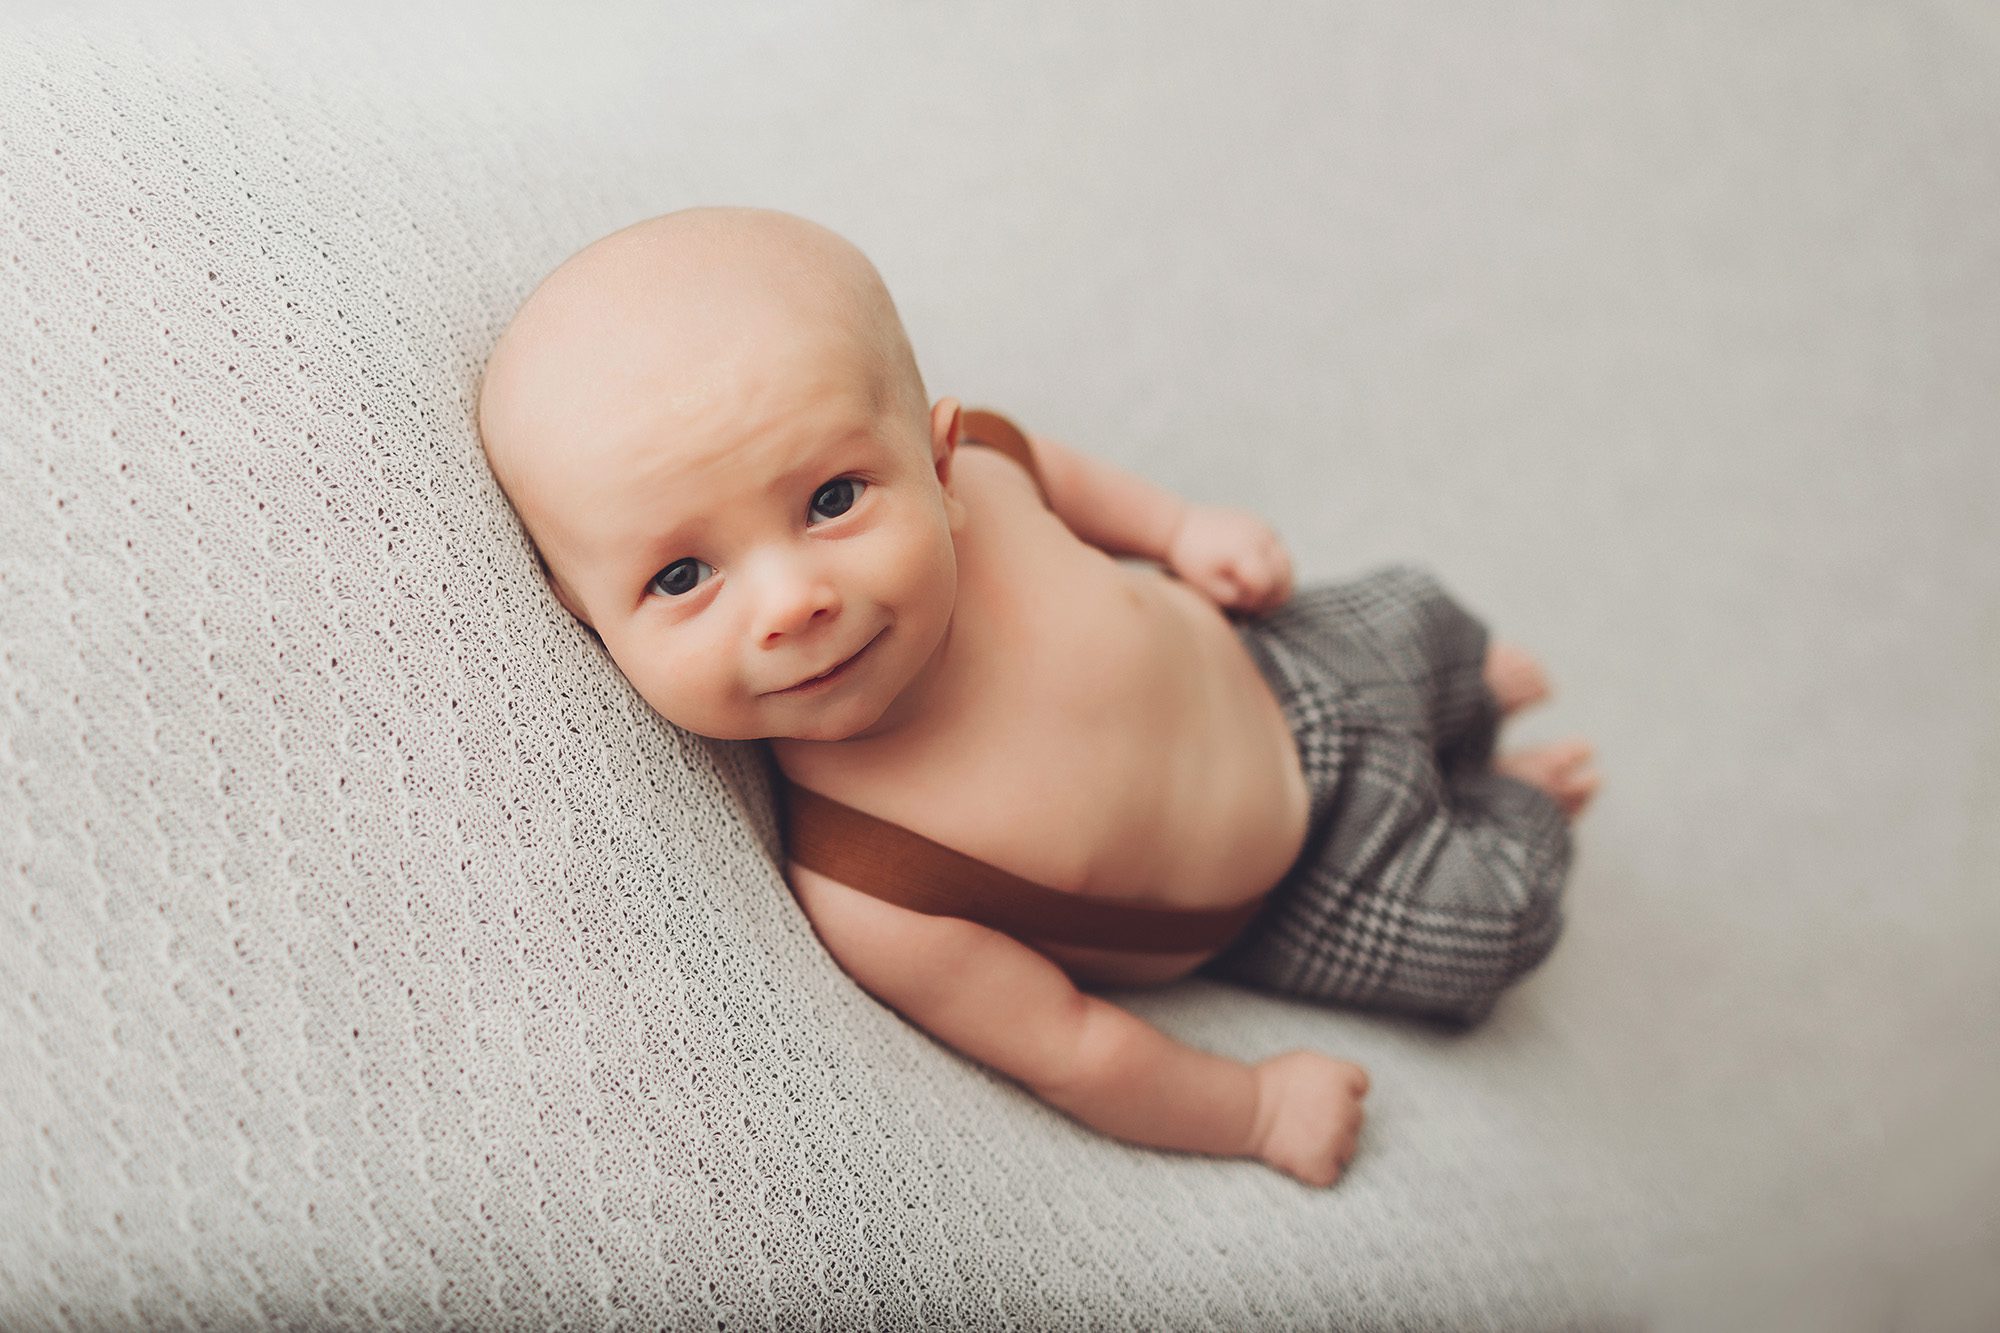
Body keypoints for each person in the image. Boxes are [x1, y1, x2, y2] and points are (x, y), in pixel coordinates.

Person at [475, 206, 1600, 1188]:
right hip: (1300, 881)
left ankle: (1465, 698)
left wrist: (1177, 530)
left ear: (937, 461)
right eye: (681, 577)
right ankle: (1507, 797)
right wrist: (1251, 1111)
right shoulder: (878, 883)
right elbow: (1076, 1050)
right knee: (1486, 926)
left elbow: (1055, 472)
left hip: (1279, 662)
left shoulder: (991, 487)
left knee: (1416, 613)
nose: (789, 602)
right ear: (586, 619)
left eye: (829, 498)